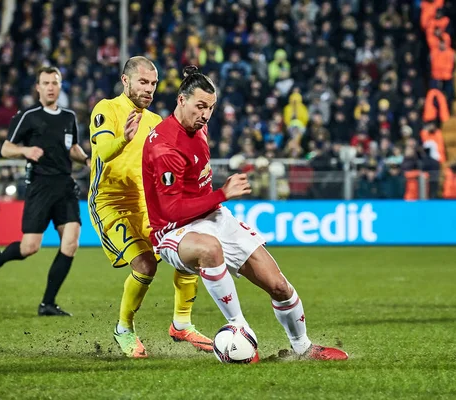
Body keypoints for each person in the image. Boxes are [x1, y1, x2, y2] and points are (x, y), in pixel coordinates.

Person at [142, 66, 348, 361]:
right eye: (200, 106)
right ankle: (239, 328)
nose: (205, 115)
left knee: (279, 286)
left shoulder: (200, 127)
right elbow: (171, 209)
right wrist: (221, 194)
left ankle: (303, 348)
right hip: (174, 231)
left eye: (211, 108)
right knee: (209, 249)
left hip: (214, 217)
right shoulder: (164, 146)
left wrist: (216, 201)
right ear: (181, 100)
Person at [88, 56, 212, 358]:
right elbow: (102, 150)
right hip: (111, 203)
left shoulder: (156, 123)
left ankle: (182, 324)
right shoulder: (107, 109)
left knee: (191, 251)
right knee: (145, 265)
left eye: (154, 83)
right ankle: (124, 329)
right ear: (125, 80)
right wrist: (123, 139)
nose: (149, 89)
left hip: (147, 204)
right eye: (143, 82)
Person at [0, 66, 90, 317]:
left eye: (54, 82)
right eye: (45, 83)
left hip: (64, 185)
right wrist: (25, 151)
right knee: (30, 247)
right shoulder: (28, 116)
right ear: (38, 87)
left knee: (71, 242)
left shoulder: (69, 117)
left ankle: (47, 303)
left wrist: (85, 160)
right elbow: (6, 149)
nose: (50, 87)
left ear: (60, 86)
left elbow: (71, 148)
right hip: (39, 186)